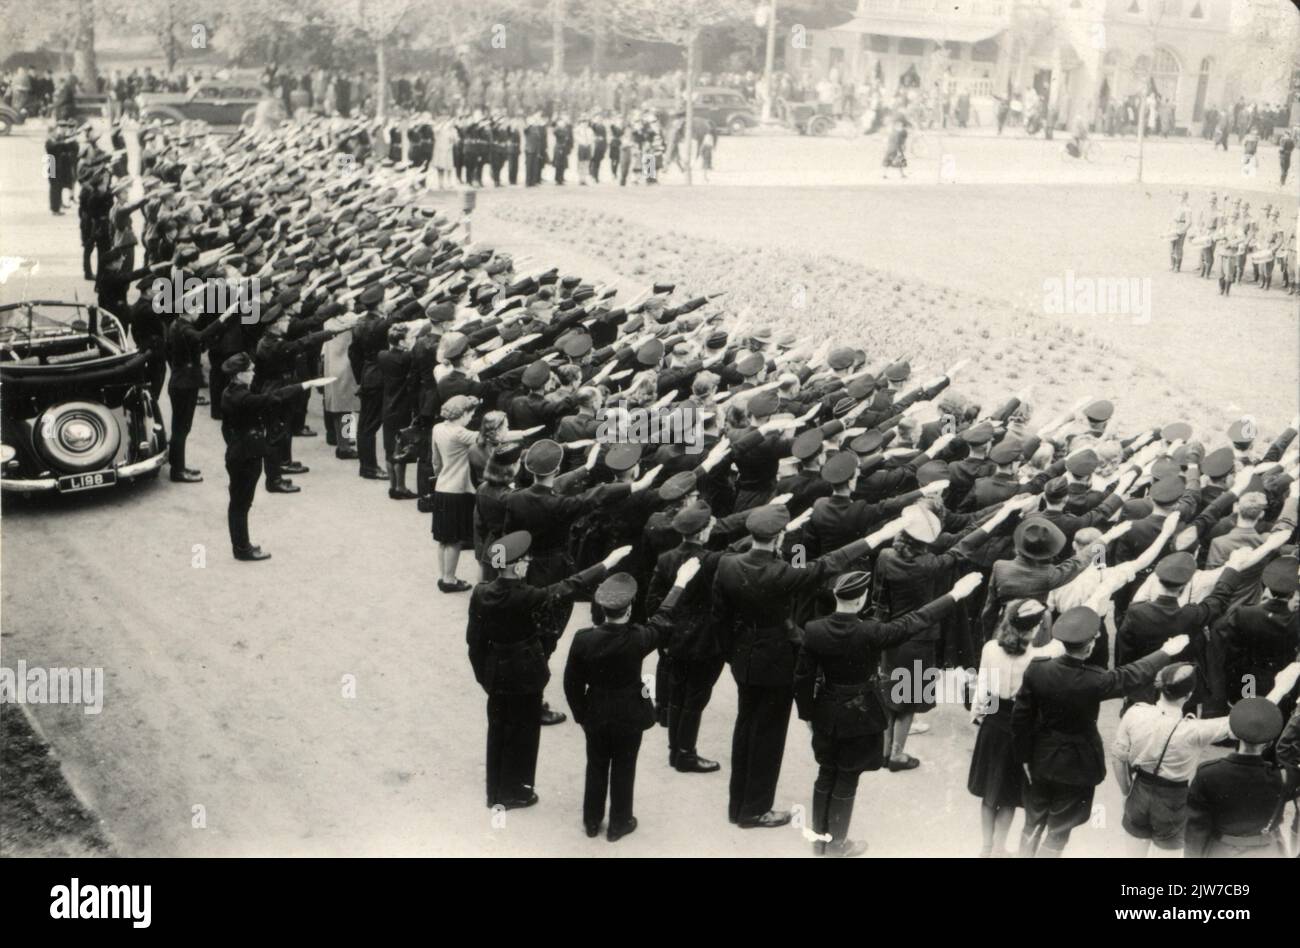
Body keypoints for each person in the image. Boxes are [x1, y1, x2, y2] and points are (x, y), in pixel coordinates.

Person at [796, 568, 985, 856]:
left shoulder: (814, 630)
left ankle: (819, 842)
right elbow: (916, 620)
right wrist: (955, 594)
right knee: (847, 777)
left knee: (825, 775)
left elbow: (803, 678)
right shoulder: (871, 631)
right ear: (861, 600)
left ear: (837, 596)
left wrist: (808, 715)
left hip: (825, 710)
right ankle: (836, 845)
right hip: (859, 714)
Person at [467, 532, 631, 810]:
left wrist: (485, 675)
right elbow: (571, 585)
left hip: (496, 671)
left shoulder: (481, 593)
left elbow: (474, 641)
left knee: (498, 730)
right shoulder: (529, 595)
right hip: (526, 672)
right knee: (525, 733)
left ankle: (495, 791)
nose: (528, 564)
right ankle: (518, 791)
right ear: (517, 566)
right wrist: (607, 563)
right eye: (525, 561)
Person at [1011, 605, 1189, 857]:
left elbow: (1020, 719)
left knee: (1032, 820)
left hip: (1041, 757)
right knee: (1059, 830)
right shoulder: (1095, 679)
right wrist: (1165, 652)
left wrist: (1024, 758)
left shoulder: (1038, 669)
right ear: (1091, 645)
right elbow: (1132, 674)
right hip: (1077, 764)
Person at [564, 559, 701, 841]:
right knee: (625, 767)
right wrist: (680, 582)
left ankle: (592, 820)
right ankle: (619, 822)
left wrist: (581, 713)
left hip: (596, 712)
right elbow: (663, 617)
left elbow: (571, 683)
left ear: (602, 609)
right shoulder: (639, 638)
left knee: (596, 765)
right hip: (629, 713)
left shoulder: (583, 639)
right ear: (628, 610)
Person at [1112, 662, 1300, 858]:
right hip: (1172, 801)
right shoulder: (1194, 730)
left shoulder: (1135, 712)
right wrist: (1281, 688)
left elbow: (1118, 757)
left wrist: (1127, 791)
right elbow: (1246, 722)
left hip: (1139, 790)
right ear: (1188, 695)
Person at [968, 599, 1063, 857]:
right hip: (1022, 725)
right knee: (1009, 794)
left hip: (993, 721)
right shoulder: (1042, 655)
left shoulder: (990, 648)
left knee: (989, 791)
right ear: (1034, 629)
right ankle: (1000, 847)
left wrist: (977, 719)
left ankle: (986, 847)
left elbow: (983, 689)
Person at [219, 353, 328, 561]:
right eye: (249, 370)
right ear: (239, 375)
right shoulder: (243, 398)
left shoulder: (229, 393)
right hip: (246, 455)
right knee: (241, 504)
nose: (253, 373)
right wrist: (305, 385)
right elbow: (273, 398)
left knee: (239, 503)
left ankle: (241, 545)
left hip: (236, 451)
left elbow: (227, 428)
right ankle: (242, 548)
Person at [1185, 696, 1298, 858]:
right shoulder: (1284, 776)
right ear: (1270, 743)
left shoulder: (1208, 773)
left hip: (1222, 851)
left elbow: (1196, 830)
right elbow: (1287, 752)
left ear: (1235, 736)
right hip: (1268, 852)